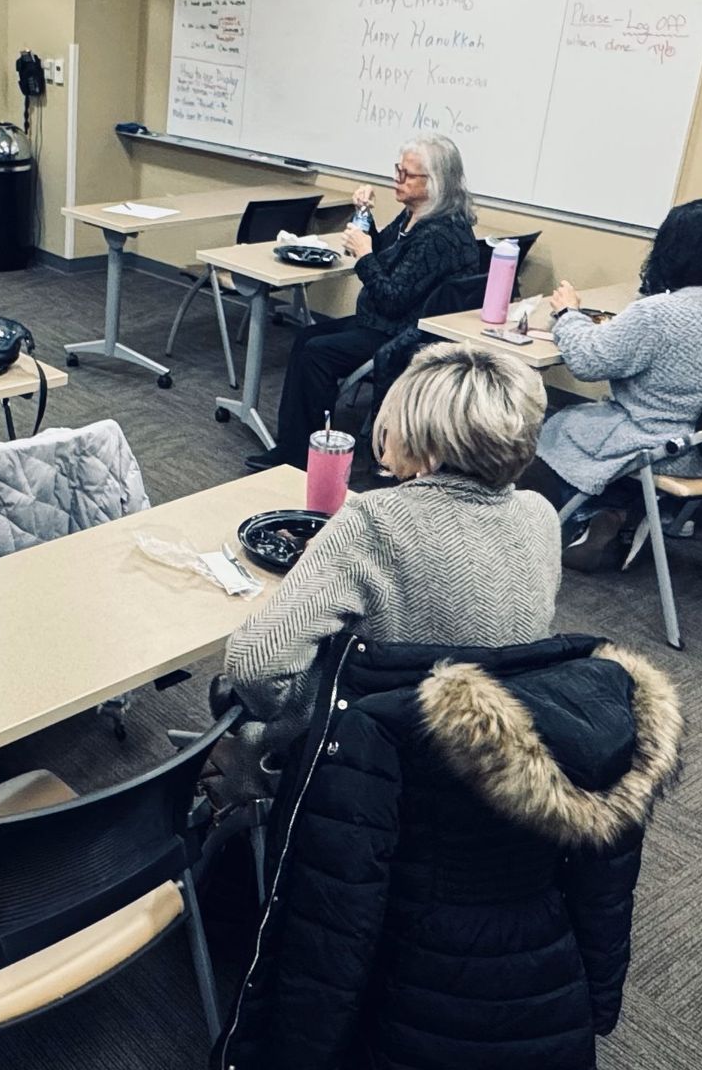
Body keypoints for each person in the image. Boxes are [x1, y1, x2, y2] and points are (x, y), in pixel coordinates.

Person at [202, 628, 681, 1070]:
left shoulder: (379, 727)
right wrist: (598, 1005)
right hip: (548, 977)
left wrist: (303, 1063)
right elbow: (607, 899)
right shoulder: (618, 714)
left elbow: (341, 917)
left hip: (424, 984)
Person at [214, 340, 559, 796]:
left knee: (232, 689)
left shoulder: (375, 519)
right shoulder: (541, 514)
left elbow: (255, 664)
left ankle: (249, 780)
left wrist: (269, 723)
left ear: (430, 439)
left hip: (363, 754)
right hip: (484, 753)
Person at [519, 198, 702, 566]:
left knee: (556, 427)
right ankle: (622, 512)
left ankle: (592, 512)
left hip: (666, 447)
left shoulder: (658, 315)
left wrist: (567, 313)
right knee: (584, 428)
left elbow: (588, 361)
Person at [246, 133, 479, 472]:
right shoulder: (416, 214)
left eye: (407, 175)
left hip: (404, 332)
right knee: (305, 338)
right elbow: (385, 252)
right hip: (384, 321)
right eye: (397, 170)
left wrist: (363, 254)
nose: (396, 180)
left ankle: (302, 457)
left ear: (437, 182)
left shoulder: (440, 234)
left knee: (317, 353)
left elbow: (393, 297)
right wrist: (364, 215)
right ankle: (295, 446)